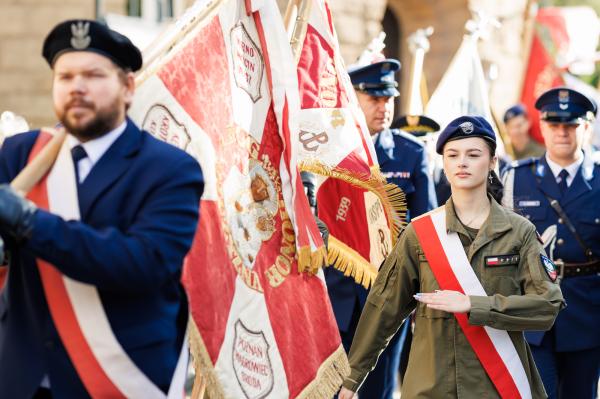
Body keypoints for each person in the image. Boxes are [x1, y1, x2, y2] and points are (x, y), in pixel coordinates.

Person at [0, 19, 204, 398]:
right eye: (65, 76)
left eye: (93, 75)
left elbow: (142, 263)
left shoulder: (170, 169)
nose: (77, 87)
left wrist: (29, 223)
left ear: (128, 87)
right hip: (21, 379)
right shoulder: (20, 154)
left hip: (115, 379)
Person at [339, 115, 564, 399]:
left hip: (497, 387)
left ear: (493, 161)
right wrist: (353, 376)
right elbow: (384, 308)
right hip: (431, 385)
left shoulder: (519, 232)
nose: (462, 163)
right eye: (453, 155)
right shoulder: (419, 233)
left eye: (473, 154)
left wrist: (474, 304)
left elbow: (547, 305)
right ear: (443, 163)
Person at [321, 57, 437, 399]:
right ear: (352, 96)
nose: (384, 106)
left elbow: (424, 228)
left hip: (389, 295)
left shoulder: (409, 153)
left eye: (388, 98)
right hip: (334, 292)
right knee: (327, 388)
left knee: (380, 390)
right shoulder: (326, 148)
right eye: (374, 97)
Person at [501, 87, 600, 399]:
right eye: (554, 124)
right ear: (541, 126)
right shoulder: (516, 177)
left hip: (587, 314)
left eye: (571, 125)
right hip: (531, 313)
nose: (562, 132)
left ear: (586, 127)